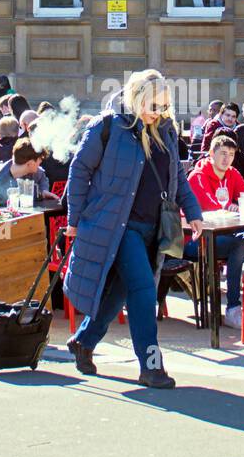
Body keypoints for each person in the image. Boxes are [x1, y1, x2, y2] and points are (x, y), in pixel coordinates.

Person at [63, 69, 204, 389]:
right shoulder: (108, 127)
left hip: (153, 226)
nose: (158, 112)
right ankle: (151, 366)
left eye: (164, 106)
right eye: (154, 105)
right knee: (142, 290)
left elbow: (178, 178)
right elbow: (79, 170)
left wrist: (193, 212)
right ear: (137, 97)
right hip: (116, 225)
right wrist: (74, 219)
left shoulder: (166, 131)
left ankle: (83, 341)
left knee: (119, 291)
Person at [185, 133, 244, 329]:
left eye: (231, 154)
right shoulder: (197, 176)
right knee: (238, 246)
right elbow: (208, 206)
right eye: (222, 153)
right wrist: (232, 207)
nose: (226, 158)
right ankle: (233, 309)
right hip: (197, 239)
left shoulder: (232, 173)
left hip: (227, 233)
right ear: (211, 154)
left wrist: (243, 205)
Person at [0, 139, 57, 206]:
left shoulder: (34, 171)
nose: (41, 162)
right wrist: (37, 194)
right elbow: (5, 204)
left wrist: (43, 191)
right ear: (30, 163)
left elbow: (42, 177)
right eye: (39, 160)